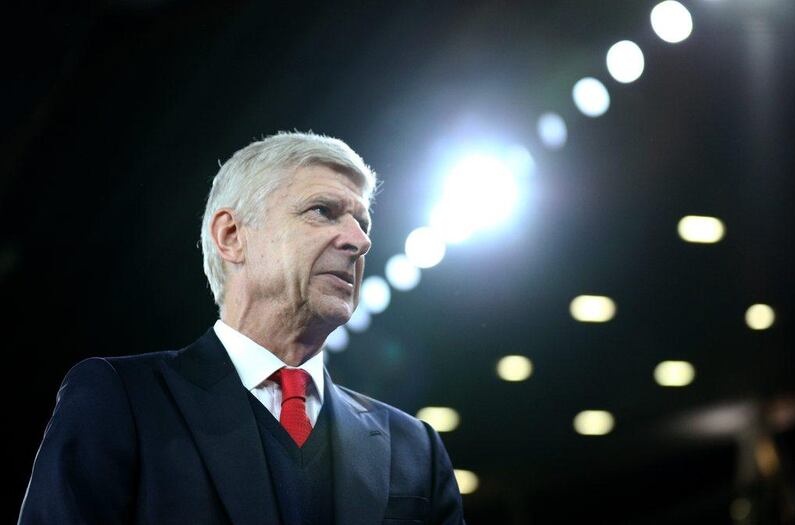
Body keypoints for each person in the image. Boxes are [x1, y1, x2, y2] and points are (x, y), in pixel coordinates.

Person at [18, 132, 465, 524]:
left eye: (362, 222)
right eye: (323, 211)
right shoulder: (119, 402)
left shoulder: (415, 449)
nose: (359, 240)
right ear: (231, 235)